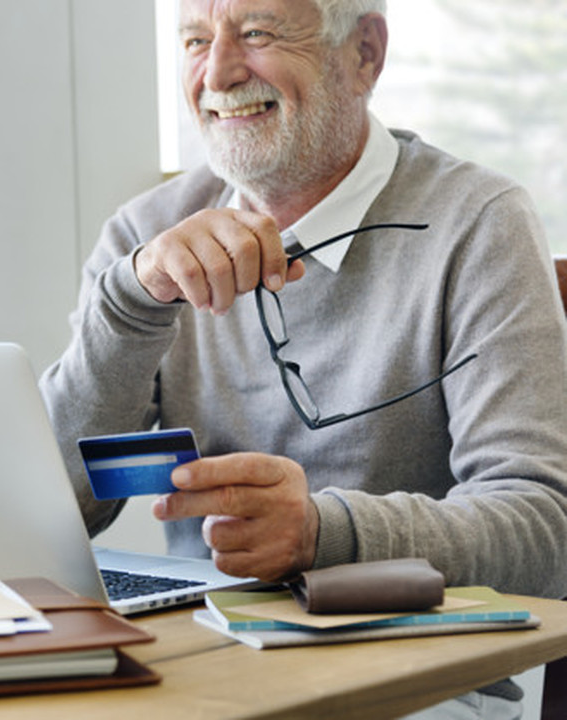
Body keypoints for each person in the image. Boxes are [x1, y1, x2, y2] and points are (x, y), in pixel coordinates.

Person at [39, 1, 567, 717]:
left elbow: (546, 527)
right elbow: (58, 511)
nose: (217, 72)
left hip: (416, 681)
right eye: (196, 40)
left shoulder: (479, 221)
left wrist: (323, 534)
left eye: (256, 34)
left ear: (365, 53)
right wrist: (129, 304)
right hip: (196, 666)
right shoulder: (143, 234)